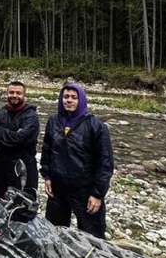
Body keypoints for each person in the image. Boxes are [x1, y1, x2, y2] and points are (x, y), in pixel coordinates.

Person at [40, 82, 114, 239]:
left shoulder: (96, 126)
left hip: (85, 190)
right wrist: (47, 176)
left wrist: (97, 194)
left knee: (91, 236)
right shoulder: (53, 121)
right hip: (58, 188)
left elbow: (105, 163)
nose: (69, 100)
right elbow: (47, 150)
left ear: (81, 100)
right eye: (66, 97)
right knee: (54, 232)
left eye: (74, 97)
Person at [0, 80, 39, 202]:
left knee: (23, 204)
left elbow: (22, 138)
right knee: (0, 202)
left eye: (18, 93)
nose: (14, 95)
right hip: (2, 167)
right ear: (7, 94)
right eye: (11, 92)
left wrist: (1, 132)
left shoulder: (31, 116)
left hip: (24, 167)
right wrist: (14, 135)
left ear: (24, 95)